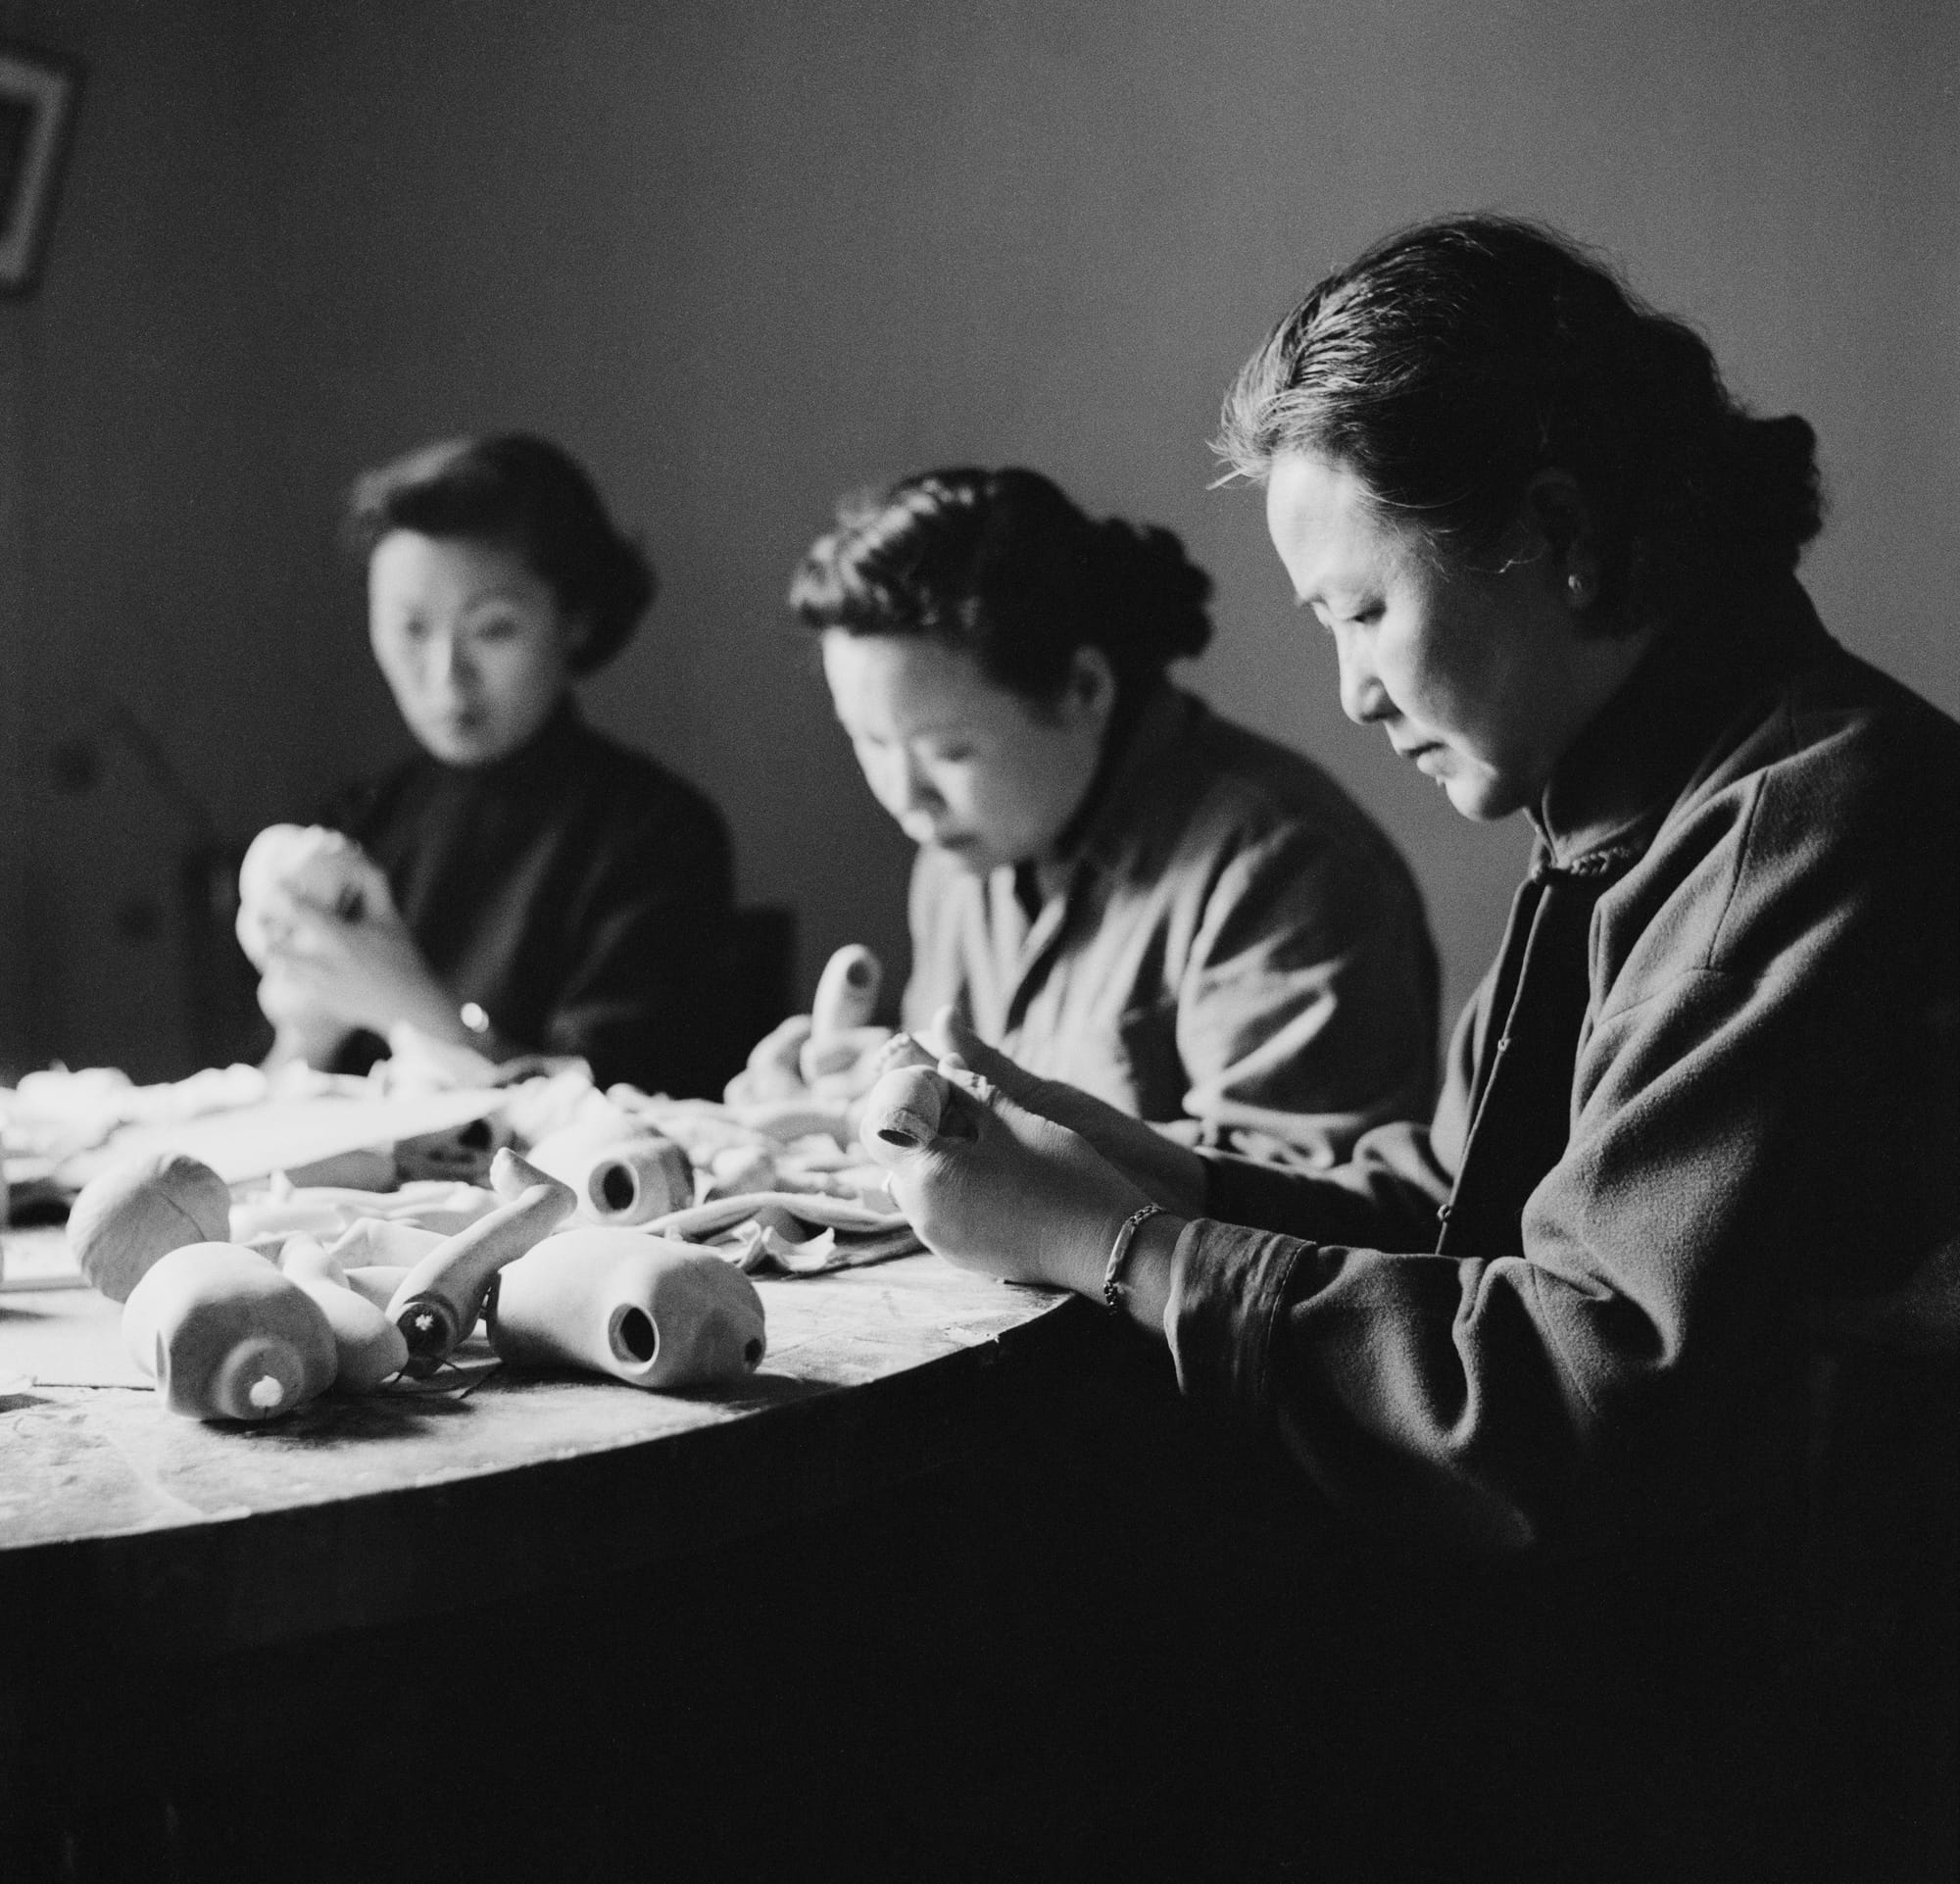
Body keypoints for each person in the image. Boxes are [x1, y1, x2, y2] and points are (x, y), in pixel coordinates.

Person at [862, 221, 1959, 1876]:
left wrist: (1116, 1246)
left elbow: (1581, 1397)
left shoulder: (1807, 830)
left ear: (1559, 538)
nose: (1353, 694)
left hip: (1768, 1769)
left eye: (1365, 609)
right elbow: (1462, 1214)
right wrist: (1151, 1166)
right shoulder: (1637, 808)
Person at [738, 466, 1439, 1170]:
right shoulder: (956, 860)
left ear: (1083, 689)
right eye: (870, 742)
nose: (905, 796)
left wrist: (977, 1126)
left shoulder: (1286, 867)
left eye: (948, 751)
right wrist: (868, 1098)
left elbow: (1299, 1199)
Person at [240, 434, 735, 1095]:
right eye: (411, 629)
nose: (447, 676)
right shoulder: (359, 821)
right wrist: (307, 1034)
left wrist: (404, 1005)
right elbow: (281, 1096)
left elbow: (620, 1111)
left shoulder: (658, 832)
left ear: (576, 619)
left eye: (493, 628)